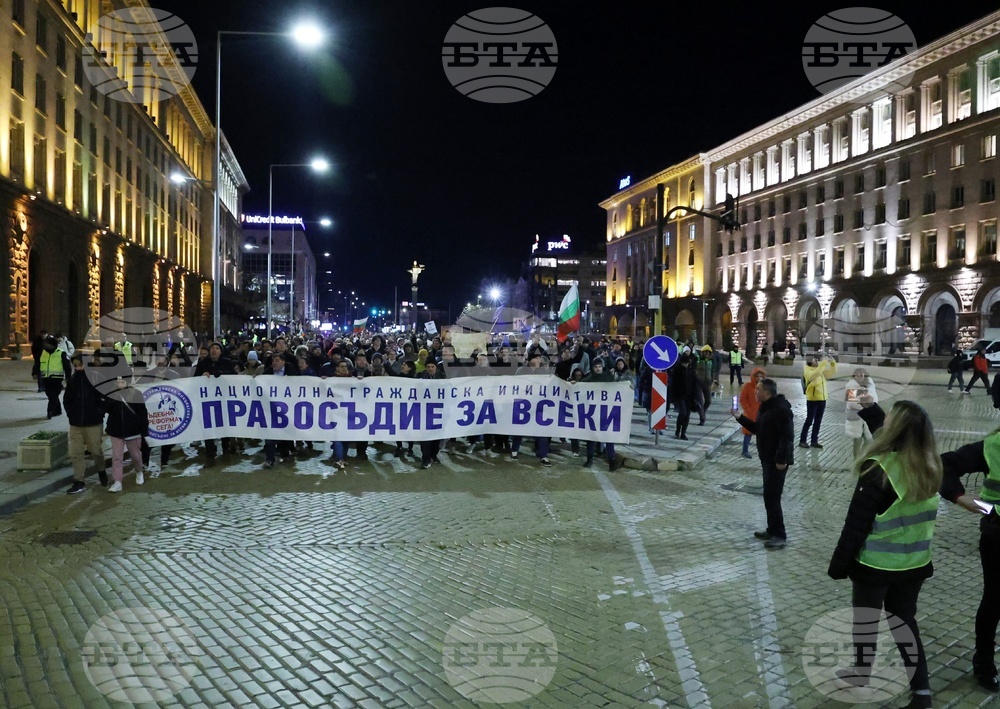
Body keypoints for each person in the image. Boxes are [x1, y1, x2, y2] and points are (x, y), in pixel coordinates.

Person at [828, 399, 942, 709]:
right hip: (915, 564)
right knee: (905, 624)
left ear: (897, 429)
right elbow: (893, 434)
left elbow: (856, 525)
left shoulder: (878, 468)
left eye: (890, 418)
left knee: (865, 621)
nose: (886, 422)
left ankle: (862, 673)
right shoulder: (930, 465)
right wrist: (873, 410)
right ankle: (921, 693)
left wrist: (839, 565)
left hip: (876, 565)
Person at [732, 377, 794, 549]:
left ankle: (779, 535)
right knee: (769, 497)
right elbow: (757, 429)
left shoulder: (780, 410)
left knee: (773, 498)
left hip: (776, 461)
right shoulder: (766, 408)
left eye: (758, 389)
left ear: (767, 392)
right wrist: (740, 417)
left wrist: (781, 459)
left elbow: (787, 437)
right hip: (767, 459)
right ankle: (772, 529)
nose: (755, 392)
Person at [64, 354, 108, 493]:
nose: (78, 368)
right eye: (75, 365)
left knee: (95, 451)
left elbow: (105, 399)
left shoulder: (98, 378)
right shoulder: (72, 380)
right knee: (76, 453)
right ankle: (79, 480)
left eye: (80, 365)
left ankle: (101, 471)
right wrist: (71, 415)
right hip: (76, 424)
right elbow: (67, 401)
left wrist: (98, 412)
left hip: (93, 423)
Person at [104, 376, 149, 494]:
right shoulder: (112, 394)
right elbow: (107, 409)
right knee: (117, 457)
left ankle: (139, 472)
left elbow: (142, 412)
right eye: (118, 382)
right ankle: (117, 481)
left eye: (122, 382)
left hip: (133, 430)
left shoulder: (136, 394)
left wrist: (144, 429)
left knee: (135, 455)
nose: (120, 384)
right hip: (116, 429)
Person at [582, 359, 626, 471]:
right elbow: (580, 387)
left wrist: (627, 386)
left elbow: (619, 386)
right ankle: (590, 458)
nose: (598, 369)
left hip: (606, 412)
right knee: (591, 437)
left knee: (608, 437)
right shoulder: (589, 379)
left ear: (602, 367)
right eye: (596, 367)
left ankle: (612, 461)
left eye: (599, 367)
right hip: (592, 413)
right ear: (593, 368)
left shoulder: (609, 378)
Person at [801, 353, 837, 449]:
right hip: (812, 399)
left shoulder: (819, 370)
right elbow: (814, 375)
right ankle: (802, 440)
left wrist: (832, 362)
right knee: (809, 420)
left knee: (818, 421)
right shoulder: (807, 370)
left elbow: (832, 372)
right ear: (809, 362)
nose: (817, 361)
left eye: (817, 360)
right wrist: (824, 362)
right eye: (814, 360)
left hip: (822, 399)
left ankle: (814, 441)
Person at [845, 368, 878, 459]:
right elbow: (852, 403)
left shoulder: (870, 386)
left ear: (865, 376)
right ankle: (856, 460)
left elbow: (874, 400)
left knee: (869, 439)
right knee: (857, 440)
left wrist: (863, 402)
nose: (858, 377)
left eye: (861, 375)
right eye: (856, 375)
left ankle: (862, 458)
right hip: (856, 417)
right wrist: (866, 404)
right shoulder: (851, 386)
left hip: (868, 417)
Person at [39, 335, 71, 419]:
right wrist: (35, 372)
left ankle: (50, 411)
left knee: (53, 395)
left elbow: (67, 366)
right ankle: (58, 410)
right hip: (46, 378)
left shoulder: (61, 353)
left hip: (57, 378)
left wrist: (68, 378)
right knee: (51, 395)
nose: (46, 345)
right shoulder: (43, 352)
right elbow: (38, 363)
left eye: (48, 344)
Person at [739, 367, 767, 458]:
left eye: (761, 376)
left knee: (762, 434)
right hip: (750, 414)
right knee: (748, 433)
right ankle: (745, 451)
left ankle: (763, 451)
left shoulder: (765, 388)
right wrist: (748, 410)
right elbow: (743, 399)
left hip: (761, 413)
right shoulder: (747, 386)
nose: (759, 378)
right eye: (757, 376)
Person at [669, 354, 699, 441]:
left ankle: (683, 433)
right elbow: (673, 385)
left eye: (687, 363)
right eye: (685, 363)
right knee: (683, 413)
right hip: (680, 396)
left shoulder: (690, 371)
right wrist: (673, 398)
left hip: (689, 396)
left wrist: (695, 396)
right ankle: (677, 430)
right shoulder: (677, 371)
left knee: (687, 415)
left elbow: (694, 384)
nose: (686, 365)